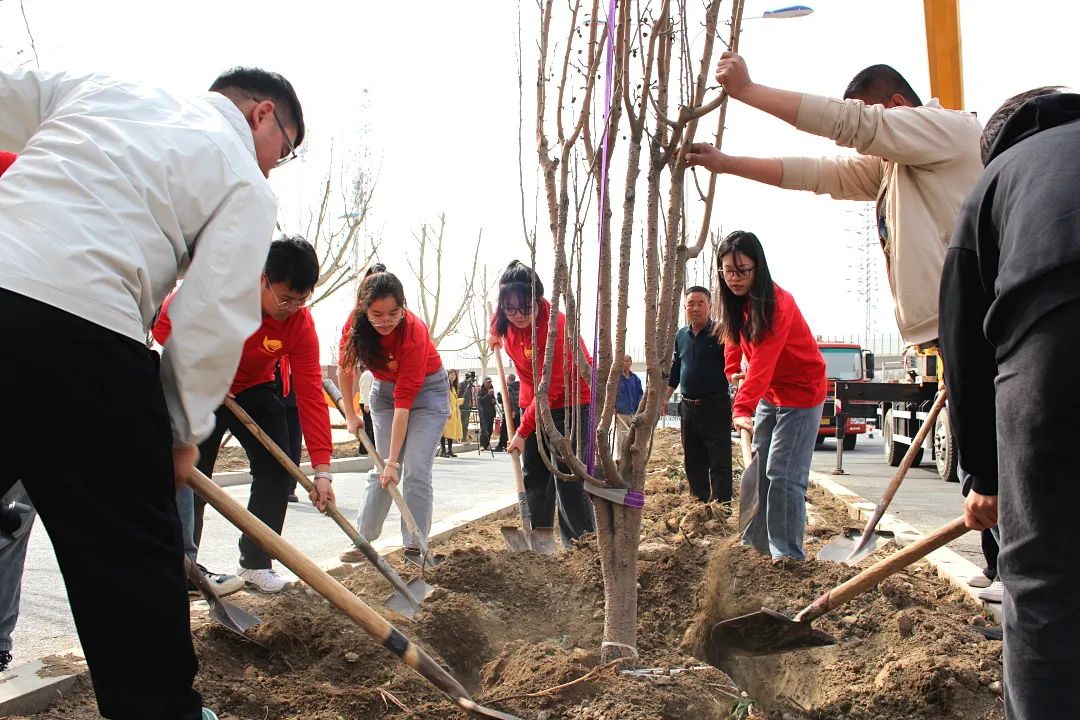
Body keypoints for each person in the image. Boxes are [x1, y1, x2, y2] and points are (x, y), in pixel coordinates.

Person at [0, 65, 303, 720]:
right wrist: (181, 430)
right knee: (132, 567)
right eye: (284, 150)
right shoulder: (244, 181)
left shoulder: (101, 87)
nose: (275, 167)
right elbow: (210, 316)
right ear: (262, 115)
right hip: (87, 335)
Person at [940, 86, 1080, 720]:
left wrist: (985, 478)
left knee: (1043, 580)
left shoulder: (995, 181)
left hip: (1056, 337)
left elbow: (964, 346)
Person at [686, 54, 982, 346]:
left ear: (897, 105)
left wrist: (748, 90)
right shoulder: (895, 166)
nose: (865, 148)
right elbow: (820, 173)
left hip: (970, 313)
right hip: (951, 322)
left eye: (870, 123)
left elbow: (847, 121)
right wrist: (726, 164)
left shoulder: (949, 129)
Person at [153, 236, 335, 594]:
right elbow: (163, 327)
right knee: (195, 475)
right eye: (285, 298)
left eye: (301, 300)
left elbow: (311, 394)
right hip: (202, 384)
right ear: (262, 279)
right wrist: (204, 371)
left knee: (278, 467)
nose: (292, 308)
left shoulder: (299, 324)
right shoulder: (221, 286)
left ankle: (256, 562)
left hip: (253, 387)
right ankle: (185, 566)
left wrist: (323, 470)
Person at [717, 231, 826, 561]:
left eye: (743, 270)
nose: (735, 278)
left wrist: (742, 407)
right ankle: (755, 551)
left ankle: (787, 557)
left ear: (758, 268)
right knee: (758, 470)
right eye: (728, 271)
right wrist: (732, 370)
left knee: (783, 474)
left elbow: (763, 361)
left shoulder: (779, 304)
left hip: (801, 392)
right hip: (770, 393)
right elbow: (733, 337)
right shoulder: (736, 300)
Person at [338, 270, 449, 563]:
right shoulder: (354, 325)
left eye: (393, 313)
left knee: (414, 468)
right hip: (384, 392)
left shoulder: (414, 332)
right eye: (377, 314)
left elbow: (405, 402)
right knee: (380, 469)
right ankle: (362, 541)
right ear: (364, 309)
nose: (385, 321)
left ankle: (415, 546)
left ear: (403, 306)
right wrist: (350, 413)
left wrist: (393, 462)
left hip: (427, 394)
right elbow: (346, 368)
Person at [490, 261, 596, 544]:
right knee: (534, 473)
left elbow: (550, 390)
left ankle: (580, 544)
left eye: (525, 308)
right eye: (510, 309)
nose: (517, 316)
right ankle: (539, 541)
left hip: (570, 402)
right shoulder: (505, 315)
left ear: (538, 299)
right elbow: (497, 318)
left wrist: (522, 432)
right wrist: (493, 334)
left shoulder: (556, 329)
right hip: (532, 401)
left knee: (567, 475)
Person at [664, 287, 733, 503]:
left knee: (719, 460)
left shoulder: (721, 332)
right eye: (691, 304)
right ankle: (698, 504)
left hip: (716, 406)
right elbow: (676, 369)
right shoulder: (681, 335)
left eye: (700, 303)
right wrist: (665, 397)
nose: (695, 308)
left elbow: (732, 365)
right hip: (688, 408)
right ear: (685, 308)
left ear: (710, 306)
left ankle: (721, 507)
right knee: (693, 460)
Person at [274, 360, 302, 502]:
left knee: (293, 446)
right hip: (272, 404)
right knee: (273, 445)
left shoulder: (298, 357)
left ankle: (290, 487)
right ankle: (273, 485)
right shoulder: (272, 355)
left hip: (294, 405)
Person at [615, 355, 644, 459]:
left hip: (634, 413)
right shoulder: (617, 379)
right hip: (621, 414)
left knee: (633, 437)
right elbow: (613, 395)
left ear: (631, 363)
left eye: (627, 361)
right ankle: (620, 459)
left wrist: (639, 408)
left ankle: (631, 460)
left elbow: (640, 394)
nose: (625, 363)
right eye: (623, 361)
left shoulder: (636, 379)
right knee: (621, 438)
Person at [440, 369, 464, 457]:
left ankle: (450, 450)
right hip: (447, 411)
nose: (453, 376)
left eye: (454, 375)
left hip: (454, 412)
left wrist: (458, 401)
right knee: (444, 432)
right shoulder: (446, 386)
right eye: (451, 374)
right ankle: (443, 451)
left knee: (451, 431)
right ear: (448, 375)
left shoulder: (453, 387)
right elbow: (445, 399)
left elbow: (453, 400)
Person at [357, 367, 375, 455]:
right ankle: (363, 450)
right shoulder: (368, 374)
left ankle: (372, 449)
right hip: (366, 404)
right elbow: (366, 390)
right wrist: (367, 405)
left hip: (368, 403)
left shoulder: (369, 374)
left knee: (372, 427)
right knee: (368, 428)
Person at [477, 377, 497, 450]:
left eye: (490, 382)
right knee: (484, 429)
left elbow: (493, 400)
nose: (489, 384)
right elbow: (480, 401)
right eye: (488, 382)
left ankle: (487, 444)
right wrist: (488, 394)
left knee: (490, 429)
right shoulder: (481, 390)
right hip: (484, 413)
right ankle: (482, 445)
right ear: (484, 383)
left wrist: (494, 401)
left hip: (491, 413)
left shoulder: (491, 390)